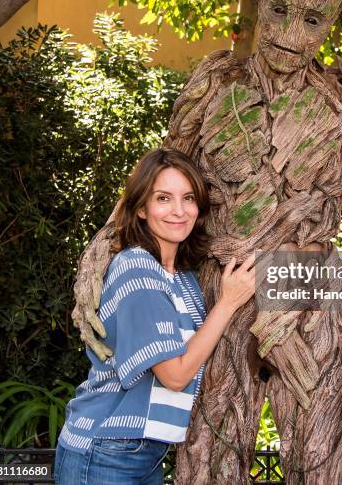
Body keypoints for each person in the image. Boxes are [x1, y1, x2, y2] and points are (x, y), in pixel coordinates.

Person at [54, 148, 256, 484]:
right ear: (142, 209)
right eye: (163, 198)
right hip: (106, 452)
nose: (179, 211)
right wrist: (228, 303)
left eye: (188, 198)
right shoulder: (137, 270)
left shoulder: (181, 277)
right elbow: (174, 376)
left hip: (143, 454)